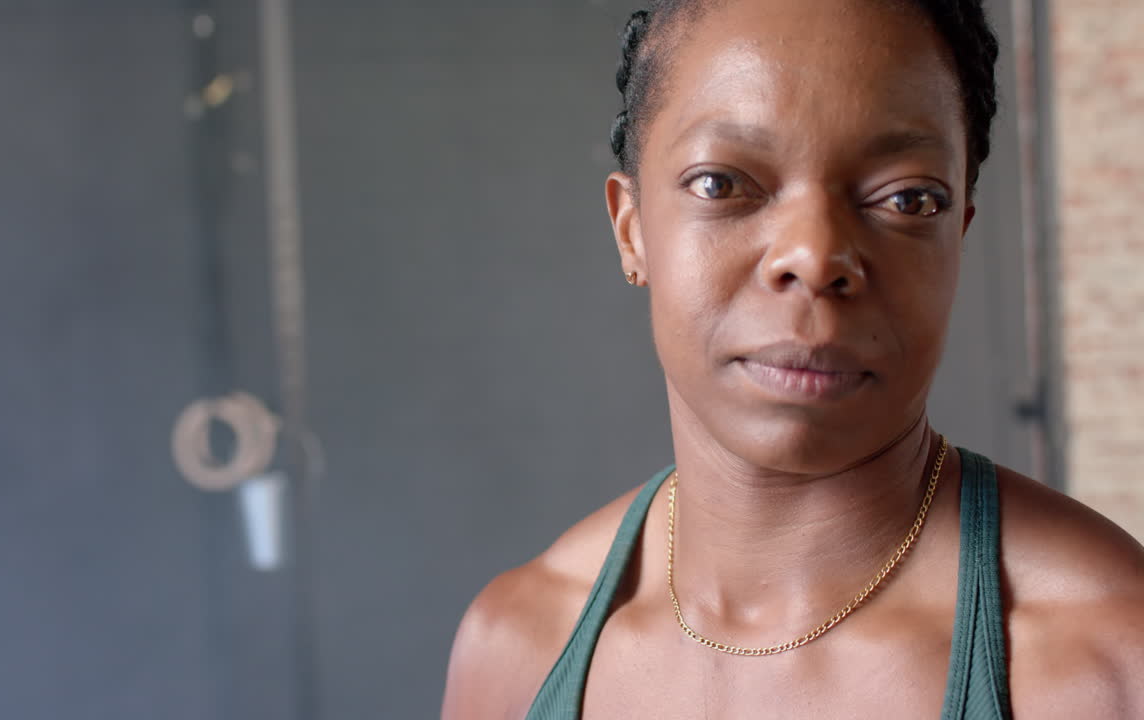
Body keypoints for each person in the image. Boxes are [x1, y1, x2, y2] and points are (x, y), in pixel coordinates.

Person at [441, 0, 1144, 717]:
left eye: (908, 198)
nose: (814, 256)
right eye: (721, 184)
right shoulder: (517, 646)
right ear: (633, 230)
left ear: (958, 235)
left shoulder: (1110, 663)